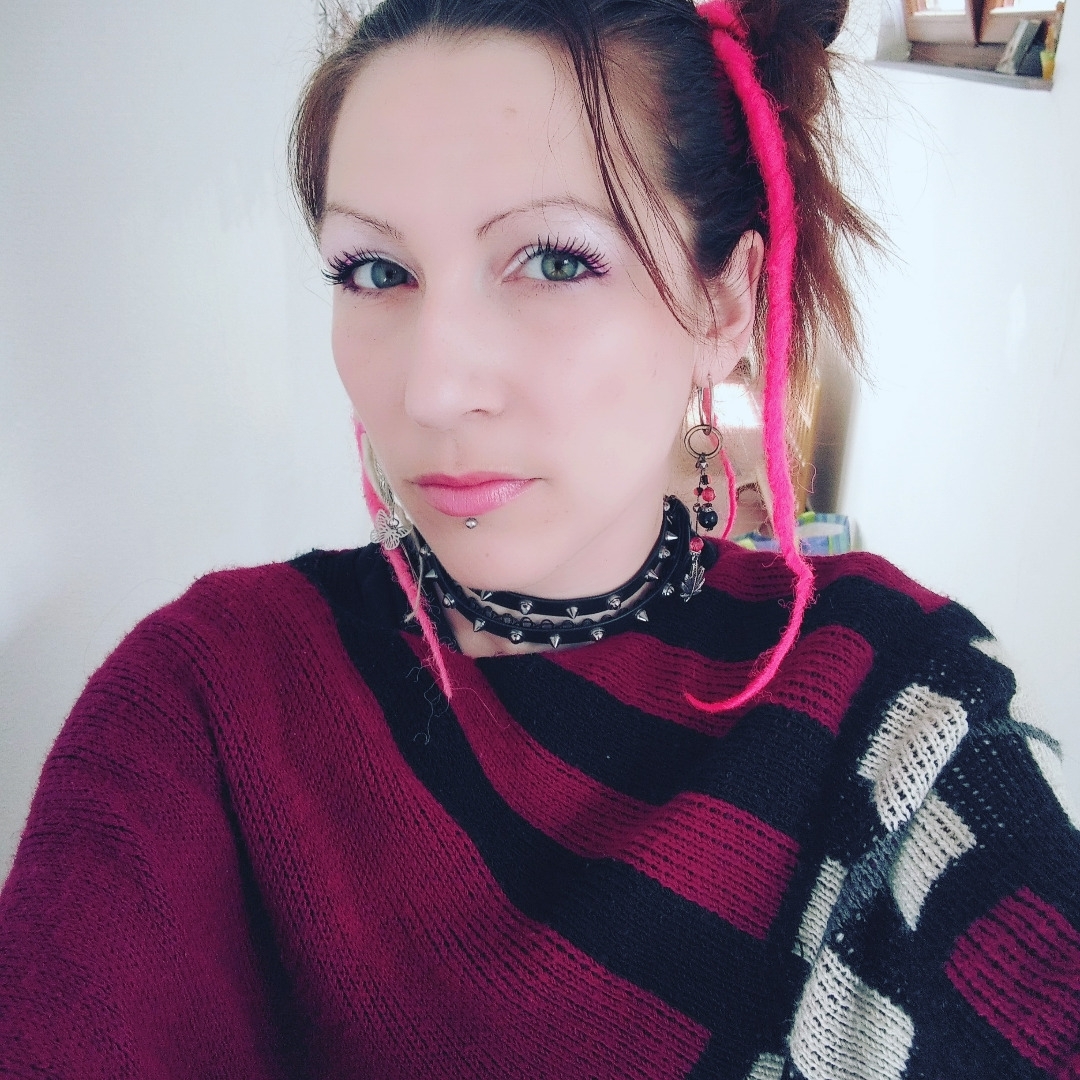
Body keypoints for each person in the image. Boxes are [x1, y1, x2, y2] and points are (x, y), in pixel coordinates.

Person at [1, 0, 1078, 1076]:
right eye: (374, 271)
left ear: (723, 305)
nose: (433, 388)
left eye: (556, 261)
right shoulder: (216, 694)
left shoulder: (878, 710)